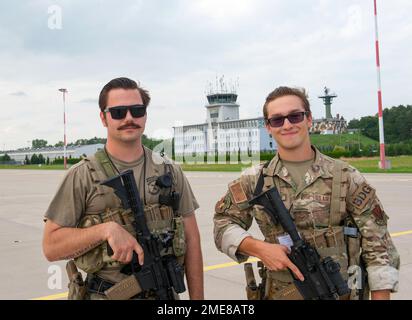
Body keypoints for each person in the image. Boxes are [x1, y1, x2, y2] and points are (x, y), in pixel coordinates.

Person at [213, 86, 399, 300]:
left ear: (309, 119)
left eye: (295, 116)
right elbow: (222, 224)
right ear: (268, 127)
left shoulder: (346, 177)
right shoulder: (253, 180)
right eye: (277, 120)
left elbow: (379, 247)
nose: (287, 125)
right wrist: (259, 248)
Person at [43, 77, 204, 300]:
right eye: (118, 112)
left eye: (137, 110)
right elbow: (51, 247)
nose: (129, 118)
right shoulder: (82, 175)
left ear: (145, 115)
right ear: (103, 117)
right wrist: (105, 230)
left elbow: (192, 240)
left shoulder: (169, 171)